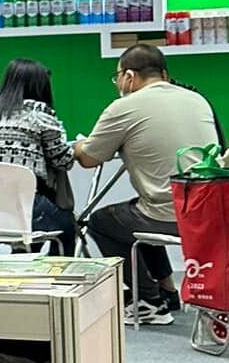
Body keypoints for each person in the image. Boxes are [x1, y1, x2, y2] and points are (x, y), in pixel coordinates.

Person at [74, 42, 217, 321]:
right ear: (163, 74)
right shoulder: (197, 100)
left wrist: (79, 145)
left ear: (128, 76)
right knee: (137, 210)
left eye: (117, 77)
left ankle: (147, 300)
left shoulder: (123, 107)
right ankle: (167, 290)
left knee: (103, 221)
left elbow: (89, 158)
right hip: (209, 211)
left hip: (168, 215)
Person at [0, 58, 77, 254]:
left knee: (40, 219)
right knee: (67, 224)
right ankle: (58, 270)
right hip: (24, 210)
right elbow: (63, 160)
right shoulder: (40, 116)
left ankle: (22, 257)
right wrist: (76, 147)